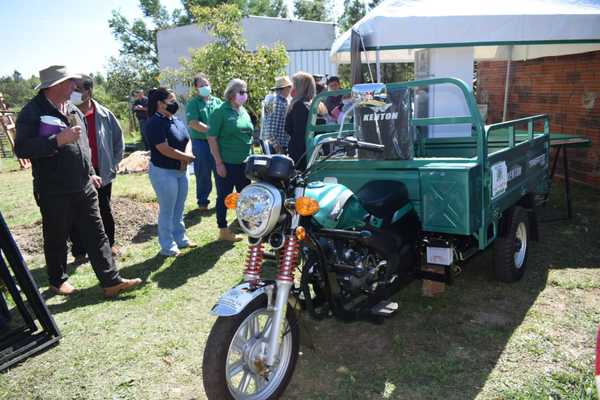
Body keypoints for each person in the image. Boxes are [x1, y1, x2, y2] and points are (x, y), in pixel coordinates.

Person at [14, 65, 142, 297]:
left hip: (84, 184)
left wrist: (91, 170)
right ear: (54, 86)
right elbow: (21, 148)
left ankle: (111, 281)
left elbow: (83, 146)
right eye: (70, 82)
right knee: (57, 236)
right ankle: (57, 280)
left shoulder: (72, 108)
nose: (75, 86)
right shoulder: (31, 112)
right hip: (53, 189)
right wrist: (56, 140)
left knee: (97, 232)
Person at [69, 77, 124, 260]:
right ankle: (79, 251)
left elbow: (118, 139)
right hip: (77, 170)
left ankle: (110, 244)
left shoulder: (105, 114)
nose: (73, 92)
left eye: (77, 89)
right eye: (71, 88)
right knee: (76, 211)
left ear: (89, 92)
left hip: (101, 170)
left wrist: (114, 161)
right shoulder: (67, 113)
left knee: (104, 208)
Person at [145, 87, 197, 257]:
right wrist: (185, 158)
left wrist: (187, 155)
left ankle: (181, 238)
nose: (174, 104)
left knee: (179, 207)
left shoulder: (175, 120)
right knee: (168, 209)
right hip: (163, 172)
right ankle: (168, 247)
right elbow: (163, 148)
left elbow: (187, 139)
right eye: (171, 100)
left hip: (182, 171)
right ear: (160, 104)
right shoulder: (153, 123)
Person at [207, 79, 253, 242]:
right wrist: (219, 163)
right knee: (225, 196)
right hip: (227, 163)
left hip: (244, 163)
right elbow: (212, 138)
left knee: (245, 195)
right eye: (241, 92)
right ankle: (223, 230)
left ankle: (247, 224)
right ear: (231, 93)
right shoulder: (220, 112)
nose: (244, 95)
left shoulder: (243, 111)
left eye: (245, 91)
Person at [186, 73, 223, 211]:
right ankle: (203, 201)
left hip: (218, 142)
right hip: (201, 143)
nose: (205, 87)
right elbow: (193, 123)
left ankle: (223, 198)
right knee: (203, 172)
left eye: (206, 84)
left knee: (220, 170)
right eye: (201, 85)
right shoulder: (193, 103)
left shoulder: (218, 102)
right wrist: (211, 131)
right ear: (196, 88)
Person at [285, 71, 316, 171]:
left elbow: (298, 131)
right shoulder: (316, 104)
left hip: (300, 152)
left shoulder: (299, 105)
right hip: (311, 149)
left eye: (294, 85)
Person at [261, 76, 292, 154]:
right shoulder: (277, 102)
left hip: (274, 144)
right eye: (289, 87)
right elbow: (270, 130)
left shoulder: (273, 100)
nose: (290, 89)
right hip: (276, 146)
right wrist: (278, 148)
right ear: (285, 88)